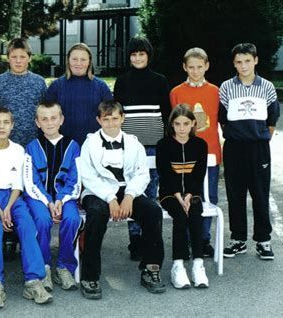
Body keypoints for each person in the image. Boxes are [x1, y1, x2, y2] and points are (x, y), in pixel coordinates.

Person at [79, 100, 165, 299]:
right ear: (98, 120)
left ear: (123, 118)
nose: (111, 123)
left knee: (152, 211)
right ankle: (90, 276)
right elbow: (88, 176)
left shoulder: (133, 143)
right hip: (97, 192)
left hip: (127, 191)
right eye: (106, 119)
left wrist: (129, 196)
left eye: (115, 119)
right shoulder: (89, 143)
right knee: (97, 214)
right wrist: (110, 198)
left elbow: (142, 174)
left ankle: (150, 268)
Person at [0, 107, 53, 309]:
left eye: (6, 122)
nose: (2, 127)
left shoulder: (18, 150)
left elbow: (19, 185)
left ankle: (33, 281)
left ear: (12, 125)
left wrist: (9, 208)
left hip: (13, 197)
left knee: (27, 224)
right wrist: (1, 213)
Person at [219, 43, 280, 260]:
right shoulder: (226, 87)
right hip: (234, 148)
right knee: (235, 195)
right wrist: (239, 136)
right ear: (234, 64)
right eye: (238, 62)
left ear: (255, 60)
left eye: (247, 60)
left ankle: (263, 240)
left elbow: (272, 119)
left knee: (260, 194)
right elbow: (223, 120)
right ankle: (238, 239)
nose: (243, 66)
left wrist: (259, 138)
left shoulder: (267, 87)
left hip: (258, 148)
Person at [113, 37, 170, 261]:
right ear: (129, 57)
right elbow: (117, 115)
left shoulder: (160, 80)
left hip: (154, 146)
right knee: (132, 192)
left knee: (151, 192)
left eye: (142, 54)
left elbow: (166, 114)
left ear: (148, 55)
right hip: (130, 148)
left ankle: (149, 237)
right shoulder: (122, 81)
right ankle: (135, 239)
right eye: (133, 54)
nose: (137, 58)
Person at [0, 38, 47, 260]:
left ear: (29, 58)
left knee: (27, 192)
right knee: (5, 189)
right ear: (8, 58)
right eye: (14, 56)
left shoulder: (39, 82)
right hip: (4, 147)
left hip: (31, 147)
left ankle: (26, 237)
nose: (18, 60)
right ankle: (7, 236)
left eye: (22, 56)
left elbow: (44, 114)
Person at [23, 101, 82, 292]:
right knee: (41, 219)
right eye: (44, 119)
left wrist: (60, 200)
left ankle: (65, 266)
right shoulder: (31, 147)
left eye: (54, 118)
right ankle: (44, 267)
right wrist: (48, 201)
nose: (49, 123)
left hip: (65, 197)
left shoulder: (73, 146)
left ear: (61, 120)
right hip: (39, 197)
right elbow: (30, 182)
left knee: (72, 218)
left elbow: (75, 179)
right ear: (37, 123)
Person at [169, 47, 221, 258]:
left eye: (200, 67)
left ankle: (203, 239)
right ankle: (188, 238)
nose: (196, 71)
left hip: (210, 152)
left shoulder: (216, 91)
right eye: (191, 67)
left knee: (209, 196)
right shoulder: (176, 92)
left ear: (207, 66)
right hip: (185, 154)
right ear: (184, 67)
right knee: (187, 195)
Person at [157, 104, 209, 289]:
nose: (181, 128)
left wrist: (189, 195)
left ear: (193, 124)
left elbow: (199, 175)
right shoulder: (163, 145)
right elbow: (165, 174)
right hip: (169, 194)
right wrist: (179, 196)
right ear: (171, 125)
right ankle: (178, 265)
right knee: (180, 216)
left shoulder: (200, 145)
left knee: (195, 214)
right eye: (177, 124)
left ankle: (197, 264)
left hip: (193, 194)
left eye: (186, 123)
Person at [46, 42, 113, 146]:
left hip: (94, 145)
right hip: (63, 145)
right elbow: (46, 116)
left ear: (89, 61)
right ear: (68, 60)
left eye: (83, 59)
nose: (78, 63)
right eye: (74, 59)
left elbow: (110, 116)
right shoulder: (56, 86)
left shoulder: (101, 86)